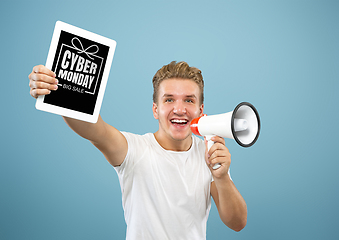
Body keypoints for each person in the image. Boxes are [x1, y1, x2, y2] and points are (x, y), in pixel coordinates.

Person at [28, 61, 247, 239]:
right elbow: (94, 130)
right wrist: (55, 90)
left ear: (200, 110)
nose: (179, 109)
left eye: (188, 100)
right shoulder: (133, 150)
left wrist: (221, 177)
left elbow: (237, 223)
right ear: (155, 109)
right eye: (169, 99)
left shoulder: (209, 154)